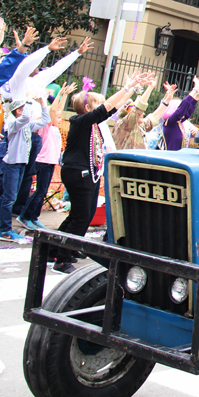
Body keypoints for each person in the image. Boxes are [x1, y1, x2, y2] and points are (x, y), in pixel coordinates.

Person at [51, 70, 150, 272]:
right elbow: (106, 107)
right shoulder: (80, 121)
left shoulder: (94, 123)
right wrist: (125, 87)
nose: (103, 105)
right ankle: (61, 259)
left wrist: (132, 88)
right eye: (98, 103)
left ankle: (56, 247)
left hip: (88, 173)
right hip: (78, 173)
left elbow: (115, 108)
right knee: (80, 217)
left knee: (81, 216)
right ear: (87, 108)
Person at [17, 82, 76, 230]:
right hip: (43, 162)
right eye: (57, 117)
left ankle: (34, 217)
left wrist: (65, 95)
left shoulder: (56, 128)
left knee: (42, 192)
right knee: (40, 191)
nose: (60, 118)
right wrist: (59, 95)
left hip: (50, 163)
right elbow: (53, 110)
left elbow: (58, 110)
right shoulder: (46, 127)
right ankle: (24, 216)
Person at [0, 94, 49, 242]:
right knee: (9, 198)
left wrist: (43, 103)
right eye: (25, 109)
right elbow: (24, 118)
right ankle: (5, 230)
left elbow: (45, 120)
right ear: (18, 111)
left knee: (8, 196)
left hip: (20, 165)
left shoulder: (26, 125)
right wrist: (27, 97)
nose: (29, 112)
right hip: (12, 165)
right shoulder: (12, 123)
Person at [113, 79, 174, 150]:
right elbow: (139, 108)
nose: (143, 114)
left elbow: (154, 118)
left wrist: (166, 100)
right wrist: (150, 88)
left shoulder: (138, 126)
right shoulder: (123, 125)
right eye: (140, 113)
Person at [162, 77, 199, 151]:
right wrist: (195, 89)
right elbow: (183, 107)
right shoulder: (170, 122)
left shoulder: (179, 123)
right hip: (170, 159)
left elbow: (189, 110)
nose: (184, 112)